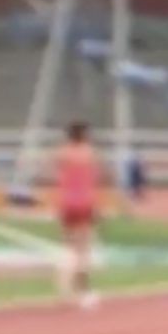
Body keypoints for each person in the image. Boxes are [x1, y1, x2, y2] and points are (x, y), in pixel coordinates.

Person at [53, 121, 100, 310]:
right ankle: (83, 289)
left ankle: (63, 288)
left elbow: (57, 168)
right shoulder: (89, 153)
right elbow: (93, 177)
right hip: (84, 203)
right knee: (83, 249)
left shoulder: (62, 153)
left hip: (66, 202)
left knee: (68, 247)